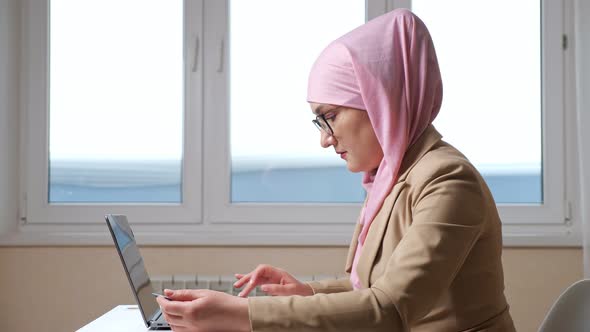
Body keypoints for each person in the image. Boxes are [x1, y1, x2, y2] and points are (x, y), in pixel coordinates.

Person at [156, 8, 516, 332]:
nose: (326, 140)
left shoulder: (447, 182)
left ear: (381, 103)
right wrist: (307, 292)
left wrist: (242, 314)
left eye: (329, 116)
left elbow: (390, 309)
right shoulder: (393, 177)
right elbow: (375, 288)